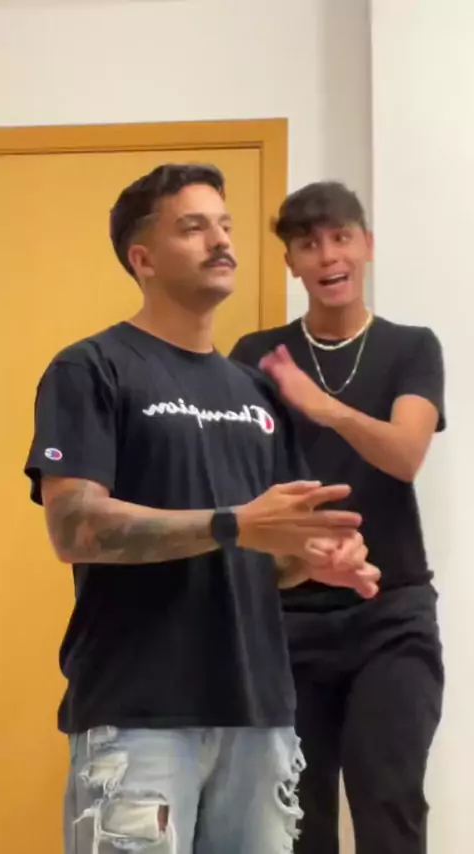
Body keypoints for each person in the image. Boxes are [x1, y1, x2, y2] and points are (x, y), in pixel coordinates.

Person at [24, 165, 380, 854]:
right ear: (143, 258)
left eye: (224, 225)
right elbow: (75, 527)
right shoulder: (92, 368)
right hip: (138, 716)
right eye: (193, 227)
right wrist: (235, 523)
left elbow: (269, 555)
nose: (221, 241)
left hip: (260, 717)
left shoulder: (256, 392)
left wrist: (312, 559)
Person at [230, 181, 445, 854]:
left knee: (389, 799)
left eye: (341, 237)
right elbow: (236, 482)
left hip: (392, 614)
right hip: (286, 619)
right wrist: (297, 550)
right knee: (295, 817)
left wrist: (322, 407)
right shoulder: (255, 355)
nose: (327, 256)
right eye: (308, 244)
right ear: (290, 261)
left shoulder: (411, 347)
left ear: (367, 246)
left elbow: (405, 454)